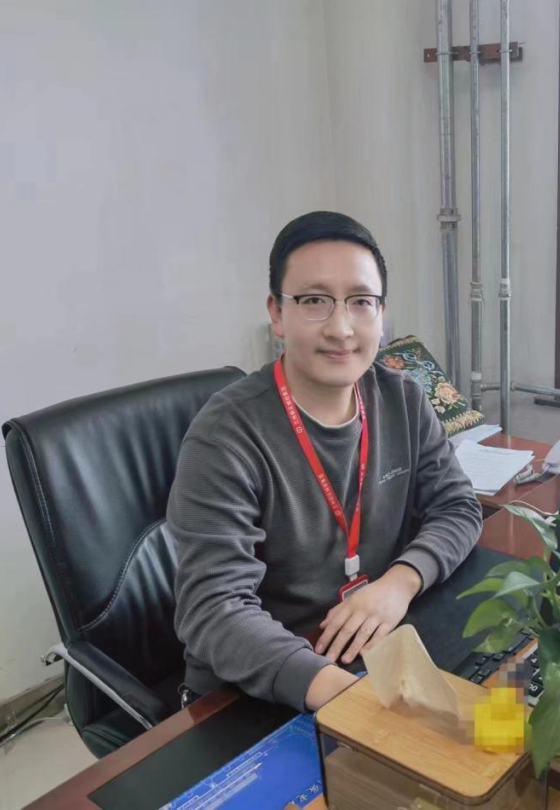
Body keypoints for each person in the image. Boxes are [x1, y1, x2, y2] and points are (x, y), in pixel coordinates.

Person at [168, 211, 482, 712]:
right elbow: (214, 608)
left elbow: (458, 507)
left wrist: (399, 583)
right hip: (256, 689)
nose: (341, 328)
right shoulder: (224, 436)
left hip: (370, 646)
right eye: (314, 301)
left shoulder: (401, 398)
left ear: (381, 313)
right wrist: (346, 701)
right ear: (276, 314)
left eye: (361, 302)